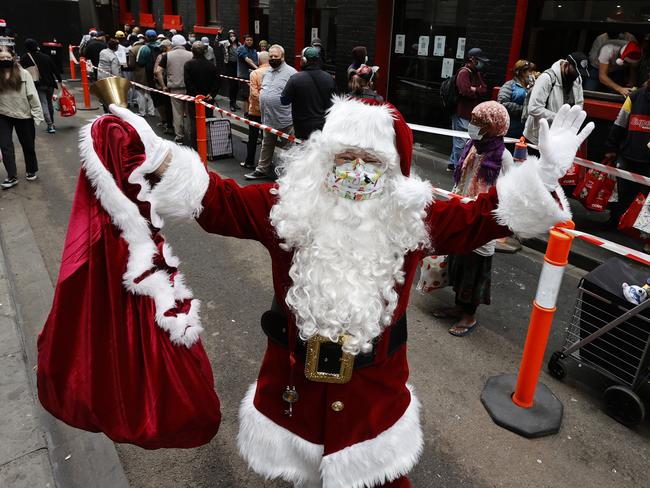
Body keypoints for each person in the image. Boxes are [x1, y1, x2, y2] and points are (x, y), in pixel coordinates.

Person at [103, 95, 592, 487]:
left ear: (392, 169)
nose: (355, 169)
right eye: (345, 157)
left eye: (370, 160)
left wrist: (542, 178)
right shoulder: (287, 206)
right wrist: (164, 159)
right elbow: (218, 201)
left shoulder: (410, 217)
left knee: (372, 476)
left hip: (373, 391)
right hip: (294, 379)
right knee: (303, 470)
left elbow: (481, 218)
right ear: (324, 158)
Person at [434, 101, 514, 336]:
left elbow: (509, 190)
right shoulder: (473, 147)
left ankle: (469, 316)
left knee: (474, 270)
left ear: (494, 126)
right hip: (463, 213)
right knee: (459, 264)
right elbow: (462, 179)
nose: (472, 126)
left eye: (479, 123)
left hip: (483, 221)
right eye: (473, 121)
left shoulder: (503, 157)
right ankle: (458, 307)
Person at [604, 79, 650, 236]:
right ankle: (615, 220)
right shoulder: (635, 97)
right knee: (620, 192)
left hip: (647, 160)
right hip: (628, 154)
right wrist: (611, 146)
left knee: (644, 198)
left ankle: (638, 230)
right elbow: (620, 122)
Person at [245, 44, 296, 180]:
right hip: (267, 117)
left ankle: (292, 174)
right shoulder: (267, 72)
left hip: (285, 119)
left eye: (276, 56)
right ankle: (261, 170)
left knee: (290, 149)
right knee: (266, 145)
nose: (273, 58)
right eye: (271, 56)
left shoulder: (291, 73)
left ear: (282, 57)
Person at [0, 47, 43, 189]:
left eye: (7, 57)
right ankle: (11, 175)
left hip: (24, 114)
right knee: (5, 146)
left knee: (28, 144)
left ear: (13, 58)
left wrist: (37, 114)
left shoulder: (24, 74)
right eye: (2, 58)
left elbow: (32, 94)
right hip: (3, 114)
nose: (5, 60)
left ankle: (31, 169)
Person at [523, 52, 587, 146]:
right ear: (566, 64)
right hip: (537, 138)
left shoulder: (577, 79)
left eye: (579, 73)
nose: (577, 75)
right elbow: (533, 108)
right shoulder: (547, 78)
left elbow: (579, 103)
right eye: (575, 71)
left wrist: (572, 118)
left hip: (559, 138)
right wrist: (559, 118)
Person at [280, 47, 336, 140]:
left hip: (302, 128)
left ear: (304, 60)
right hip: (324, 126)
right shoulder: (329, 78)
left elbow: (284, 101)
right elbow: (335, 101)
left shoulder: (295, 79)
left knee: (302, 152)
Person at [447, 47, 489, 171]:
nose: (482, 63)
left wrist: (474, 89)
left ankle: (452, 163)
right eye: (480, 60)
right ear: (472, 59)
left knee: (460, 140)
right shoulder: (464, 72)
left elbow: (484, 89)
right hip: (461, 111)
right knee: (461, 141)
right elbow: (465, 91)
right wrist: (476, 89)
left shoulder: (476, 73)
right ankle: (457, 167)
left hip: (469, 112)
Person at [20, 38, 62, 134]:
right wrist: (60, 80)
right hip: (50, 84)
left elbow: (20, 71)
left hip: (38, 84)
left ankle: (50, 125)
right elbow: (55, 69)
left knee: (43, 104)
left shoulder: (24, 58)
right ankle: (52, 122)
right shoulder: (46, 57)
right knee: (49, 103)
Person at [158, 34, 192, 143]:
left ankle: (179, 136)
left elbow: (158, 71)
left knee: (177, 114)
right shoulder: (191, 54)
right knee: (189, 113)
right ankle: (191, 135)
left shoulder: (167, 55)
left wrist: (163, 85)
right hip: (189, 88)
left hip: (175, 89)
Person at [184, 41, 219, 149]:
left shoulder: (188, 64)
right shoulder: (211, 65)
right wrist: (211, 94)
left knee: (194, 123)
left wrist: (197, 95)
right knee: (206, 122)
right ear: (205, 51)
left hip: (194, 100)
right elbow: (217, 81)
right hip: (208, 100)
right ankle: (207, 147)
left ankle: (195, 147)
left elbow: (188, 83)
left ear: (192, 51)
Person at [241, 50, 270, 169]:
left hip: (255, 111)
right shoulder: (274, 72)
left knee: (252, 137)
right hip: (269, 112)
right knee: (267, 139)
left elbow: (254, 94)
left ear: (259, 60)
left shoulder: (255, 73)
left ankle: (249, 161)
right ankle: (265, 164)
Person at [498, 59, 534, 138]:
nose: (531, 74)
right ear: (521, 72)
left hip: (525, 131)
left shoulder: (530, 87)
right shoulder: (509, 85)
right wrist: (523, 109)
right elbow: (503, 103)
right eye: (529, 71)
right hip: (510, 129)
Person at [134, 30, 159, 117]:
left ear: (146, 38)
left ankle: (143, 112)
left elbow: (140, 62)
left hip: (148, 73)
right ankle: (153, 111)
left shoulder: (144, 48)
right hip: (160, 73)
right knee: (155, 93)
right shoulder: (161, 46)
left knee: (145, 92)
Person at [153, 39, 173, 135]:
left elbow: (156, 71)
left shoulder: (161, 57)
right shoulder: (175, 55)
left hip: (166, 82)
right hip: (178, 83)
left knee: (168, 105)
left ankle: (169, 126)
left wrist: (162, 85)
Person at [236, 34, 258, 115]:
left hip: (252, 75)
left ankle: (251, 111)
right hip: (244, 75)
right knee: (246, 95)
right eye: (247, 40)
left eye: (251, 40)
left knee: (252, 94)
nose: (249, 41)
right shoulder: (241, 48)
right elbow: (247, 60)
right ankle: (247, 112)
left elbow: (256, 61)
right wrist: (257, 68)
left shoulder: (254, 50)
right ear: (244, 41)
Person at [225, 30, 240, 112]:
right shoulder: (226, 44)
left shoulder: (239, 44)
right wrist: (218, 34)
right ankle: (231, 103)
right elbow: (216, 44)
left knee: (236, 86)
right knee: (232, 85)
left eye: (233, 35)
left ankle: (234, 102)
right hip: (230, 66)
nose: (232, 37)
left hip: (237, 66)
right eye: (230, 36)